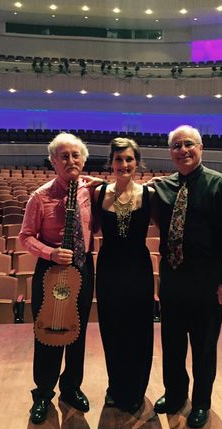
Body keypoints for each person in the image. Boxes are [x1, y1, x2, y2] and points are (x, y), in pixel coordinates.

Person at [152, 125, 222, 428]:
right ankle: (176, 394)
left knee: (204, 348)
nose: (182, 150)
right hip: (173, 280)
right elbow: (124, 191)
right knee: (173, 344)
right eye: (176, 146)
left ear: (201, 147)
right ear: (170, 152)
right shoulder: (162, 187)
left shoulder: (221, 185)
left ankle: (202, 402)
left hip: (207, 282)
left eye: (188, 144)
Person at [19, 132, 95, 424]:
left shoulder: (91, 191)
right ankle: (42, 393)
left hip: (82, 268)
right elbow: (25, 237)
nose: (70, 160)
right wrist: (50, 253)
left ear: (83, 159)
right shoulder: (40, 196)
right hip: (50, 270)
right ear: (53, 161)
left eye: (75, 155)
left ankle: (72, 388)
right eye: (63, 156)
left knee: (77, 331)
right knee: (48, 332)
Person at [94, 137, 155, 414]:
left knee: (139, 329)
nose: (124, 164)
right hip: (109, 268)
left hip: (138, 268)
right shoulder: (98, 193)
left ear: (137, 162)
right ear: (111, 163)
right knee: (112, 328)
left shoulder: (150, 194)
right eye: (119, 159)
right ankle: (115, 387)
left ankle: (135, 390)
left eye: (129, 159)